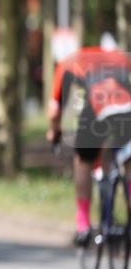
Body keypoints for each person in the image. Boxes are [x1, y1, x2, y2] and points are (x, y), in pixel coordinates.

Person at [47, 33, 131, 246]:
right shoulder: (121, 58)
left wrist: (54, 132)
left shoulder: (68, 64)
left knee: (83, 158)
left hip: (95, 108)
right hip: (126, 108)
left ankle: (83, 223)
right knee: (127, 159)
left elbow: (56, 111)